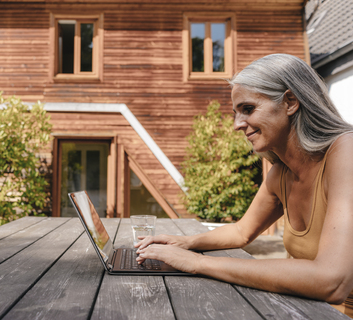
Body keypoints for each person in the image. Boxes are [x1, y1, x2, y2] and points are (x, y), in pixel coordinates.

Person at [135, 53, 353, 306]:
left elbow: (332, 282)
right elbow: (241, 231)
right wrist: (185, 243)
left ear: (290, 102)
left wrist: (198, 263)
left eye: (248, 109)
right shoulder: (281, 174)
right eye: (236, 112)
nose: (237, 124)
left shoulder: (345, 153)